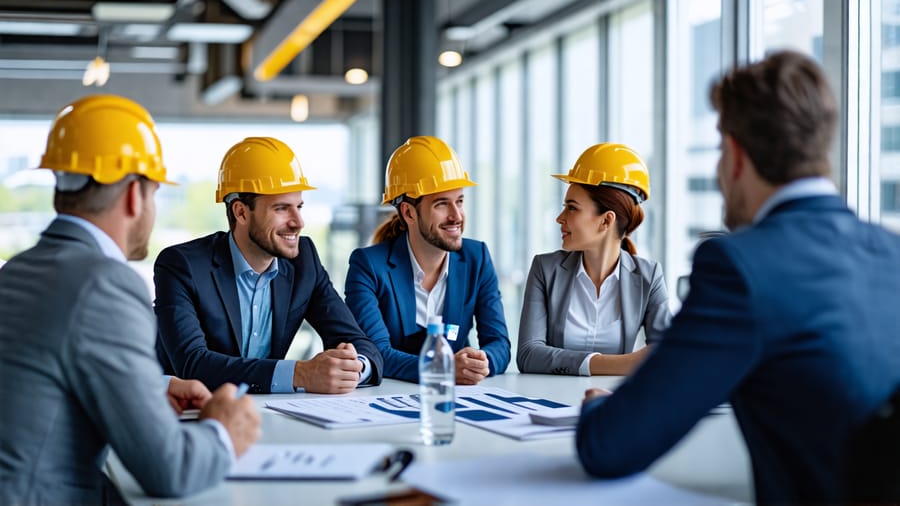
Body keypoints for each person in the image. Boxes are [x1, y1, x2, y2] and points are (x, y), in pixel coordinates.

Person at [575, 50, 900, 504]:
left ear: (735, 155)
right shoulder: (891, 252)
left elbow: (609, 446)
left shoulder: (740, 267)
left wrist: (597, 407)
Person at [0, 95, 260, 504]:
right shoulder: (106, 284)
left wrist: (151, 387)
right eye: (155, 194)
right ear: (135, 195)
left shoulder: (18, 270)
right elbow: (170, 470)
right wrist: (223, 433)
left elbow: (46, 383)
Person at [154, 136, 383, 394]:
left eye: (299, 206)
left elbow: (360, 343)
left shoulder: (304, 261)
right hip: (188, 414)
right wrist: (301, 374)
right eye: (282, 208)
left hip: (267, 414)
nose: (298, 222)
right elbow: (192, 364)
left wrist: (353, 367)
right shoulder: (181, 266)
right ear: (241, 212)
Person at [344, 136, 511, 383]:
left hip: (453, 400)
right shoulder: (367, 266)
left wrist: (481, 362)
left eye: (460, 201)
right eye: (442, 204)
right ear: (409, 212)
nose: (456, 216)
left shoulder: (477, 258)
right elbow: (376, 353)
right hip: (386, 403)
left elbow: (499, 343)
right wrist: (442, 368)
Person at [517, 143, 671, 376]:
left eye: (572, 208)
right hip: (549, 400)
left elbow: (666, 353)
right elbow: (528, 355)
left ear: (606, 221)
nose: (560, 218)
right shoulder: (545, 269)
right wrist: (623, 364)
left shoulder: (649, 276)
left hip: (612, 400)